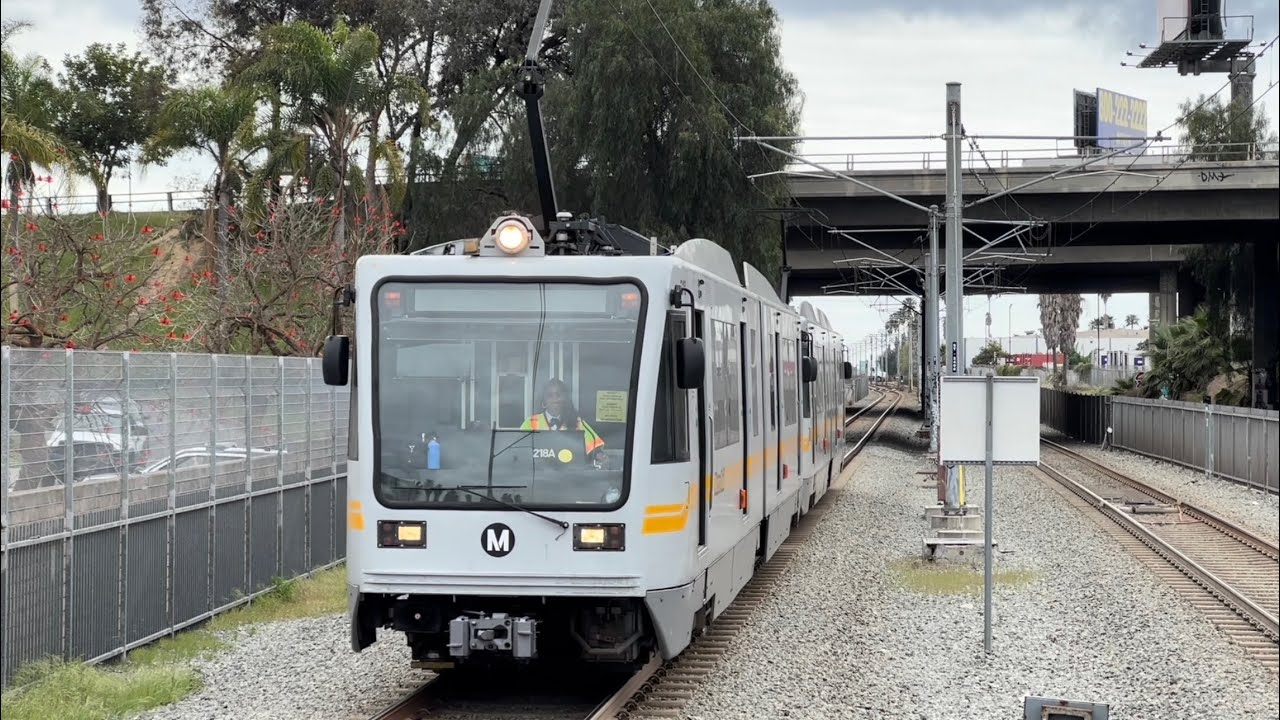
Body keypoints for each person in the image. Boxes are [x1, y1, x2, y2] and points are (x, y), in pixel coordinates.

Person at [521, 379, 607, 462]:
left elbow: (595, 448)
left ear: (565, 399)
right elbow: (519, 450)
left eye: (558, 395)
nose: (555, 399)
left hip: (568, 474)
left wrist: (599, 455)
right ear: (544, 401)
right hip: (539, 474)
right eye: (550, 395)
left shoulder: (577, 422)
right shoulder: (531, 422)